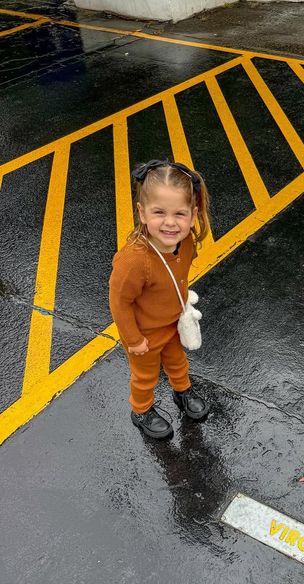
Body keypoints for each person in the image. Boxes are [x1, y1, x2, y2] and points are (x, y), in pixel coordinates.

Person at [109, 159, 211, 440]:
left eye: (179, 213)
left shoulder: (186, 240)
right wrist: (133, 339)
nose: (169, 222)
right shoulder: (134, 261)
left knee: (178, 361)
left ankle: (182, 391)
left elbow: (177, 276)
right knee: (145, 376)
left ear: (193, 215)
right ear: (142, 213)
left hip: (173, 323)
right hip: (144, 333)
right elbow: (119, 302)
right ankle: (141, 409)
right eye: (159, 212)